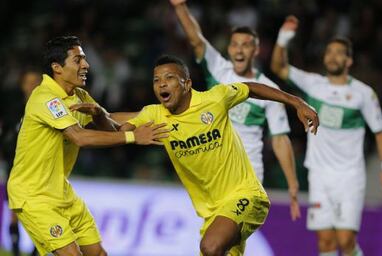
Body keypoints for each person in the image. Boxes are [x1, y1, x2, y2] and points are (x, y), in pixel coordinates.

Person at [120, 55, 319, 256]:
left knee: (210, 246)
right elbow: (120, 130)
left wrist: (297, 102)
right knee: (212, 248)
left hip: (247, 196)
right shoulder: (155, 114)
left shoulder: (214, 99)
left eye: (169, 77)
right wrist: (99, 116)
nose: (162, 83)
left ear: (187, 84)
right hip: (214, 216)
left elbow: (250, 88)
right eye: (156, 80)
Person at [7, 36, 169, 256]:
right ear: (57, 68)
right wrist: (133, 137)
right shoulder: (46, 98)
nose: (86, 65)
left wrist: (156, 114)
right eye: (78, 60)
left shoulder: (78, 95)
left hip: (62, 192)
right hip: (35, 196)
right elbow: (79, 137)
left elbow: (112, 124)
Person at [271, 16, 382, 256]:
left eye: (339, 53)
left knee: (346, 242)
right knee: (325, 243)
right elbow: (278, 67)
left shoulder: (362, 94)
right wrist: (283, 38)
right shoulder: (313, 84)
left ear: (349, 60)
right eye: (329, 52)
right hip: (319, 175)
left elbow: (380, 132)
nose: (332, 56)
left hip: (349, 177)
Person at [169, 0, 301, 220]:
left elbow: (279, 139)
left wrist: (293, 185)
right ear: (229, 48)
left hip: (247, 175)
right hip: (214, 173)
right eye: (235, 44)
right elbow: (196, 40)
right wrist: (180, 7)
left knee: (223, 242)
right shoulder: (219, 70)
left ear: (256, 50)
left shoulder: (269, 90)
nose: (239, 49)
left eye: (246, 44)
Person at [0, 68, 42, 256]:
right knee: (15, 212)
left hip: (39, 169)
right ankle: (16, 250)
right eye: (28, 82)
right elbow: (5, 137)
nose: (31, 86)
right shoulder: (13, 111)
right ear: (22, 85)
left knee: (39, 213)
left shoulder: (47, 110)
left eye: (35, 82)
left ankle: (35, 250)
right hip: (15, 167)